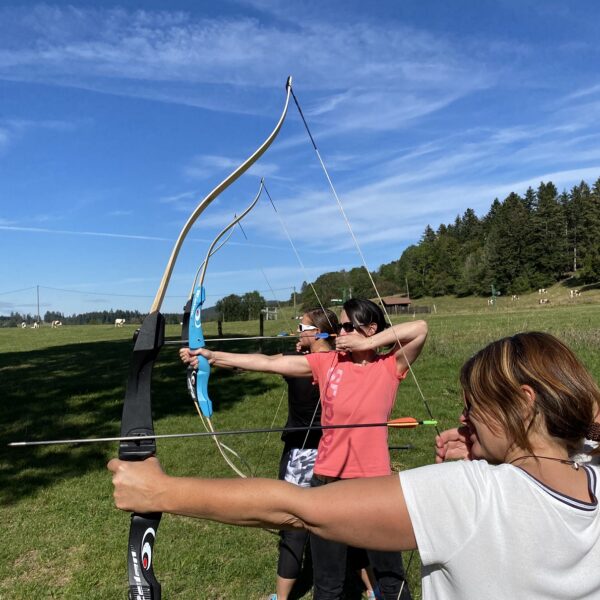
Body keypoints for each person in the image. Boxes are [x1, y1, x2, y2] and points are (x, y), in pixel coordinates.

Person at [110, 331, 600, 599]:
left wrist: (160, 492)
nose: (463, 417)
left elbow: (297, 508)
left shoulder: (473, 494)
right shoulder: (591, 474)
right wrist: (496, 446)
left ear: (524, 402)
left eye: (474, 406)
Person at [183, 298, 425, 599]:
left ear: (371, 328)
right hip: (327, 483)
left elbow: (420, 328)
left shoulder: (390, 365)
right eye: (339, 327)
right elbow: (270, 363)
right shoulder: (328, 363)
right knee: (328, 581)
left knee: (391, 579)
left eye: (348, 326)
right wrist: (212, 356)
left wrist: (371, 342)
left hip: (375, 484)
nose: (340, 333)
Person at [271, 307, 338, 600]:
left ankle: (283, 598)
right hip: (336, 449)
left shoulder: (298, 366)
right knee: (344, 522)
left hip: (301, 451)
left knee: (294, 524)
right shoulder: (345, 363)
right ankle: (375, 589)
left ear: (318, 333)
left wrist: (210, 358)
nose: (298, 331)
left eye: (302, 327)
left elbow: (264, 363)